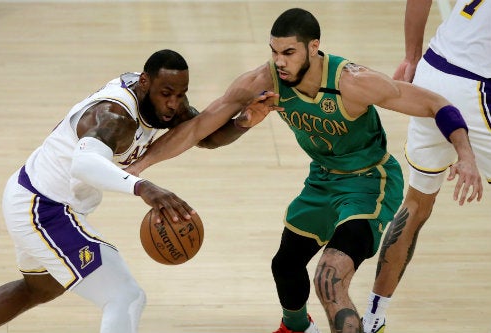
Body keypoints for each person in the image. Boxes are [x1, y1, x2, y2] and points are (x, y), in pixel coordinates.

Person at [123, 8, 482, 333]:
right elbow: (200, 130)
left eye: (288, 53)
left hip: (368, 183)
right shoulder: (263, 80)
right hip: (321, 180)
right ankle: (296, 327)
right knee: (285, 265)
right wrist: (139, 166)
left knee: (329, 279)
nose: (279, 62)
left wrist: (464, 153)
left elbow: (436, 103)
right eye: (274, 51)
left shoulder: (353, 82)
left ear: (314, 47)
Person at [0, 49, 275, 332]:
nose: (174, 104)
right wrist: (143, 187)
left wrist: (242, 122)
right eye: (167, 94)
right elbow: (84, 164)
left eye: (180, 94)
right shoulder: (114, 116)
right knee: (126, 297)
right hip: (44, 209)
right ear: (144, 83)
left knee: (38, 289)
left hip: (30, 195)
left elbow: (204, 135)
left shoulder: (162, 101)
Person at [362, 0, 489, 332]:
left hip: (432, 73)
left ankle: (374, 318)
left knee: (416, 204)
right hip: (475, 87)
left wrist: (411, 56)